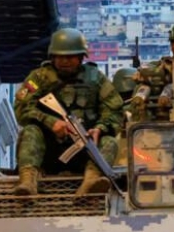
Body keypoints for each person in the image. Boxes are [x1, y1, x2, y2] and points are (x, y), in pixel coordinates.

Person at [13, 27, 123, 197]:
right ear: (52, 57)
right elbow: (22, 108)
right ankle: (28, 181)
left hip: (84, 150)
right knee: (30, 132)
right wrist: (50, 122)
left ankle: (92, 180)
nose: (65, 61)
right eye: (60, 57)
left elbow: (114, 110)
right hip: (48, 149)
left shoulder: (96, 78)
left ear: (81, 57)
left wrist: (99, 128)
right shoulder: (38, 78)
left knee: (109, 141)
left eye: (70, 57)